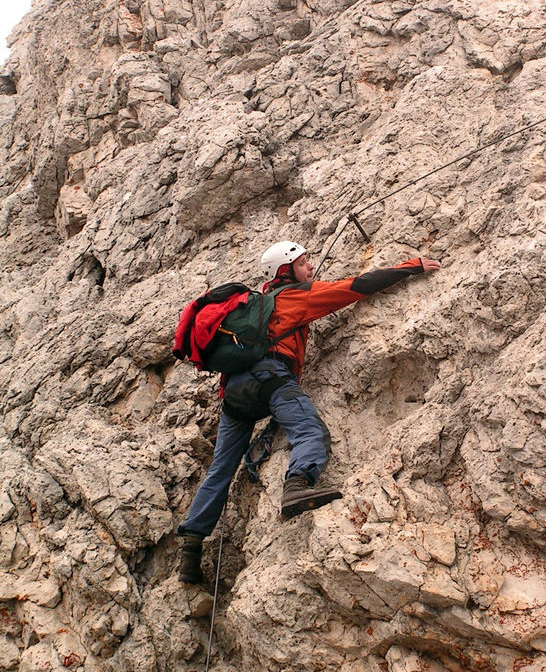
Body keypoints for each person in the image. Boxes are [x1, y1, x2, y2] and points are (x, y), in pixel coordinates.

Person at [177, 241, 440, 584]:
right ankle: (297, 485)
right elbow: (353, 287)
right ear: (286, 272)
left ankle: (190, 552)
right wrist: (412, 266)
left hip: (235, 393)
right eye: (303, 264)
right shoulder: (293, 297)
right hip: (271, 377)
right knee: (310, 430)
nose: (311, 268)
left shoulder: (254, 309)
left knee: (220, 470)